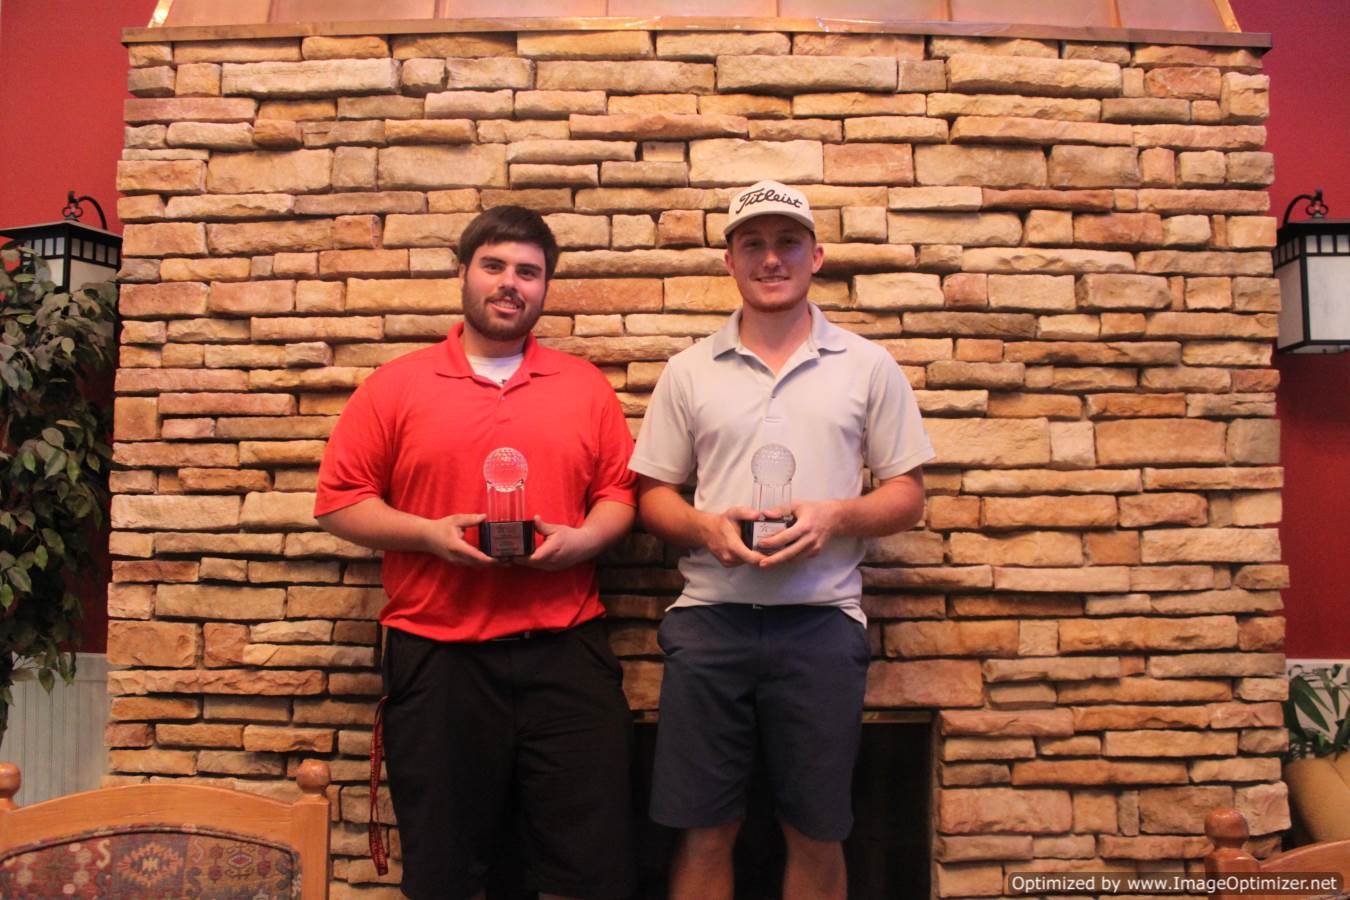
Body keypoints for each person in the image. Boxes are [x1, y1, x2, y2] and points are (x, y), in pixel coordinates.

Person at [313, 206, 637, 900]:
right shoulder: (395, 386)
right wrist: (426, 535)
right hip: (438, 656)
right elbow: (340, 501)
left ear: (546, 287)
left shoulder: (585, 387)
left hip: (567, 651)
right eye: (493, 266)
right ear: (463, 273)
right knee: (446, 872)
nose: (509, 283)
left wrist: (587, 539)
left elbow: (621, 495)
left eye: (528, 271)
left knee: (594, 867)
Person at [628, 181, 935, 900]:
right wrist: (703, 526)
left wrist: (836, 516)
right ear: (730, 261)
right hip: (709, 623)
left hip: (822, 625)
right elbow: (651, 498)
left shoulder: (867, 366)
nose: (772, 259)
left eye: (787, 242)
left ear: (816, 256)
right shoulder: (688, 371)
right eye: (753, 245)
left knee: (818, 829)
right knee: (703, 828)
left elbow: (908, 496)